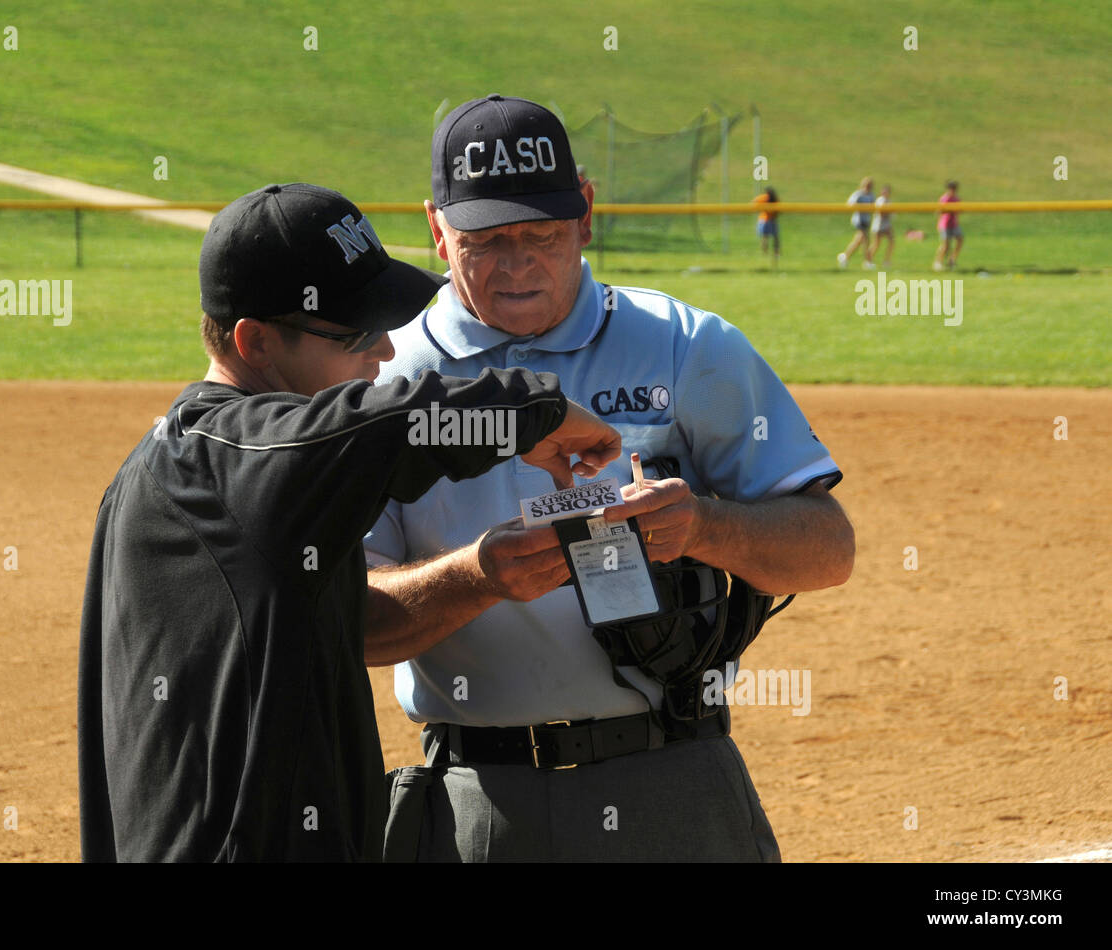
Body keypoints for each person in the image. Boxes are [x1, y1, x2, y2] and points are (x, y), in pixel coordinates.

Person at [364, 95, 855, 863]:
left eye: (542, 234)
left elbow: (829, 547)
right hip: (480, 802)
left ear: (586, 215)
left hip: (675, 778)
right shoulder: (386, 376)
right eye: (485, 240)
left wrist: (705, 525)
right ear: (435, 228)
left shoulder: (685, 346)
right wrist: (478, 577)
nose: (518, 261)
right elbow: (349, 620)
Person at [76, 182, 621, 862]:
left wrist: (482, 571)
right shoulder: (232, 459)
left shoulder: (208, 469)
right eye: (356, 332)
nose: (386, 351)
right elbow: (395, 424)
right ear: (256, 342)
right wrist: (536, 412)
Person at [836, 175, 875, 269]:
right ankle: (867, 262)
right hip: (859, 220)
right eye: (867, 185)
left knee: (860, 241)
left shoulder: (871, 195)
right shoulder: (858, 194)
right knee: (864, 239)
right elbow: (850, 204)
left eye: (870, 185)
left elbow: (874, 206)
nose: (868, 187)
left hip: (866, 220)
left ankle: (845, 256)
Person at [933, 180, 962, 271]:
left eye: (954, 189)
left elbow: (960, 210)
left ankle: (952, 259)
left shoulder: (956, 198)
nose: (953, 191)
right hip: (945, 224)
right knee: (946, 245)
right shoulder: (944, 198)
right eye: (951, 189)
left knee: (960, 239)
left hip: (954, 223)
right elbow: (939, 211)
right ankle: (938, 262)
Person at [752, 185, 780, 266]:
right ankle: (773, 253)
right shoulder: (769, 197)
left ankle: (766, 253)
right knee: (772, 238)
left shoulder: (766, 197)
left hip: (765, 220)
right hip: (767, 220)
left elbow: (754, 202)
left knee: (766, 238)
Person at [871, 184, 895, 266]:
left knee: (891, 241)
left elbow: (892, 214)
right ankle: (868, 260)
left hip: (886, 224)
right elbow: (881, 213)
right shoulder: (880, 200)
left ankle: (886, 260)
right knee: (876, 244)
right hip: (879, 225)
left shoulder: (889, 201)